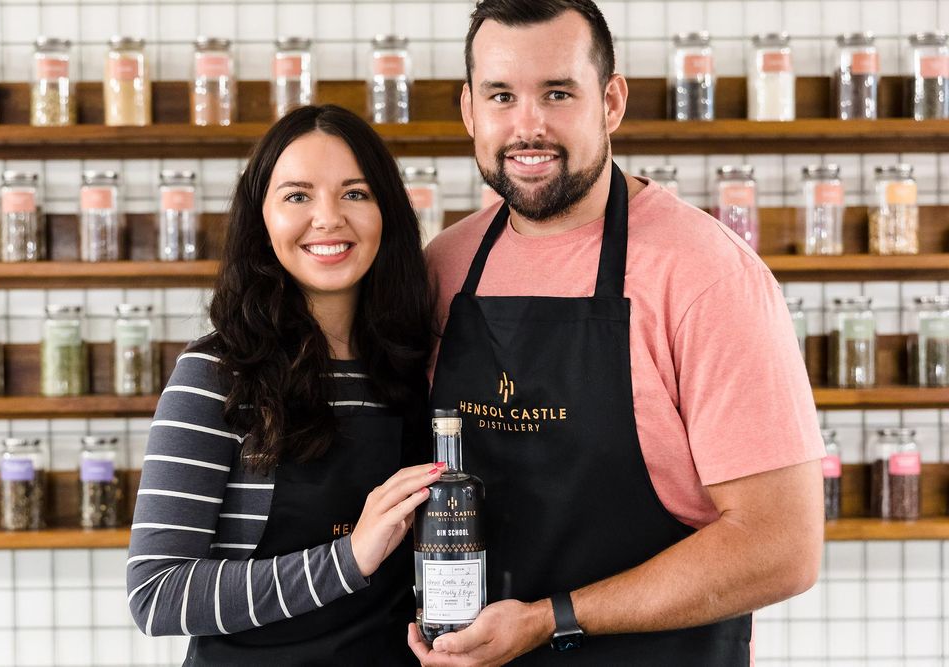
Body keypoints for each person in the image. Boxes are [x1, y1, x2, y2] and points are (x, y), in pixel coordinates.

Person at [411, 1, 824, 664]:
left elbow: (782, 545)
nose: (528, 126)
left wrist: (551, 619)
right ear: (469, 110)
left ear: (611, 100)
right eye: (501, 95)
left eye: (557, 93)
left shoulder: (705, 273)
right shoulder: (442, 269)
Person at [127, 104, 437, 666]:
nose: (328, 218)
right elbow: (157, 595)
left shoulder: (417, 369)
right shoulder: (217, 375)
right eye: (298, 195)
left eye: (355, 193)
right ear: (261, 220)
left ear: (388, 212)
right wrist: (349, 558)